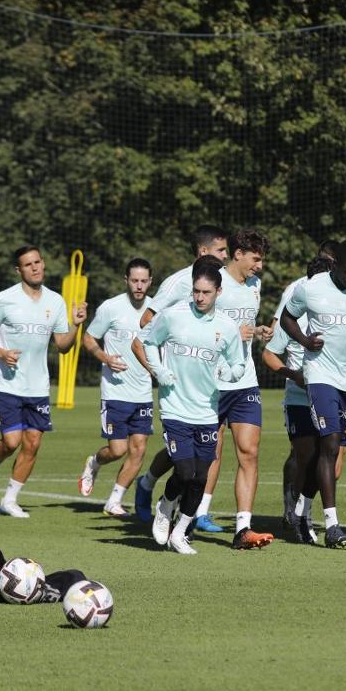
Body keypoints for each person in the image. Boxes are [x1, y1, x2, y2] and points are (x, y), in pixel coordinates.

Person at [280, 239, 346, 549]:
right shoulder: (311, 288)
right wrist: (303, 339)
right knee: (330, 442)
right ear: (334, 264)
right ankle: (332, 524)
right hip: (319, 375)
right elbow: (287, 317)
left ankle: (300, 510)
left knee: (329, 450)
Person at [142, 258, 246, 554]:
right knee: (185, 472)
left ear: (218, 292)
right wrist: (159, 370)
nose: (200, 298)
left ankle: (180, 532)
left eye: (206, 293)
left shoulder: (226, 327)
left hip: (207, 411)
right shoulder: (173, 316)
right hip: (175, 407)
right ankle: (164, 508)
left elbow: (239, 362)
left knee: (201, 477)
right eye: (196, 292)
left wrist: (232, 373)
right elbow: (149, 342)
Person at [0, 246, 88, 517]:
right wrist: (1, 353)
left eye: (38, 262)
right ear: (19, 270)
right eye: (28, 264)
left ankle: (10, 500)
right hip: (8, 385)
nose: (35, 267)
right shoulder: (4, 299)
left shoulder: (56, 301)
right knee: (11, 442)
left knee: (33, 443)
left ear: (43, 264)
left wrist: (75, 325)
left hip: (39, 387)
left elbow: (62, 346)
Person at [129, 225, 229, 526]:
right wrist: (159, 370)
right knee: (183, 454)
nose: (226, 255)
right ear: (203, 251)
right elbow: (145, 326)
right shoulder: (178, 284)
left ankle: (195, 511)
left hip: (207, 384)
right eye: (221, 250)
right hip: (178, 385)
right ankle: (149, 486)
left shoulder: (224, 283)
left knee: (199, 451)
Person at [196, 228, 275, 548]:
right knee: (205, 454)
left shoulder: (255, 286)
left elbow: (243, 328)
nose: (260, 266)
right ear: (239, 254)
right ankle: (191, 513)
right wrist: (231, 332)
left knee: (249, 452)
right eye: (256, 259)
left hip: (244, 381)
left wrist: (258, 331)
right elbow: (198, 323)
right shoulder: (214, 282)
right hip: (210, 382)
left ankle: (243, 528)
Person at [262, 253, 337, 544]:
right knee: (305, 457)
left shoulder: (337, 313)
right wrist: (294, 375)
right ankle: (295, 513)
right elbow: (269, 353)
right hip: (299, 399)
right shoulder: (295, 314)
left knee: (328, 458)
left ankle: (306, 513)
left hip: (332, 396)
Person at [77, 258, 155, 516]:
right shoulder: (111, 308)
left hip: (143, 392)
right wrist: (105, 358)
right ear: (126, 281)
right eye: (134, 280)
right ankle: (94, 463)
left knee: (139, 449)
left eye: (144, 281)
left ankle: (114, 501)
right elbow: (89, 338)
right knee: (118, 450)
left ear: (150, 282)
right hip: (115, 393)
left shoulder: (157, 310)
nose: (139, 286)